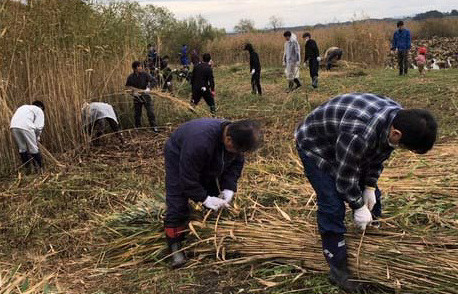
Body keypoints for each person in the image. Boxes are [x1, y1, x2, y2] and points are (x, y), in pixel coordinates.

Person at [295, 93, 437, 292]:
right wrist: (357, 205)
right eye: (405, 147)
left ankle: (369, 239)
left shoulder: (398, 119)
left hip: (343, 140)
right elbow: (345, 179)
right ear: (396, 134)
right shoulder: (359, 134)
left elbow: (378, 154)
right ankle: (338, 268)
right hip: (316, 145)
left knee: (373, 199)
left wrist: (369, 187)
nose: (401, 149)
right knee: (332, 204)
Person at [164, 118, 263, 268]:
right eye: (238, 150)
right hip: (178, 153)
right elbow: (187, 179)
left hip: (204, 152)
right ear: (228, 139)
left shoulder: (235, 137)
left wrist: (229, 187)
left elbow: (236, 163)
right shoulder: (200, 142)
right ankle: (175, 248)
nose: (239, 153)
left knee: (212, 189)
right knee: (177, 200)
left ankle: (207, 227)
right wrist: (203, 198)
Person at [10, 100, 45, 173]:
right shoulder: (39, 110)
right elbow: (39, 127)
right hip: (26, 126)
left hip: (13, 126)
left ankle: (27, 170)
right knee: (33, 148)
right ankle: (41, 168)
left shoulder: (23, 107)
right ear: (41, 107)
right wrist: (37, 137)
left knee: (22, 148)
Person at [125, 61, 158, 132]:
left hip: (146, 95)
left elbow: (154, 81)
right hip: (137, 97)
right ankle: (138, 128)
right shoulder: (130, 77)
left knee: (150, 112)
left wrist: (149, 88)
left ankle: (154, 126)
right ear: (135, 68)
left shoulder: (145, 74)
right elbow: (127, 87)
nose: (140, 68)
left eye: (141, 66)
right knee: (137, 113)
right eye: (139, 66)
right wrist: (133, 93)